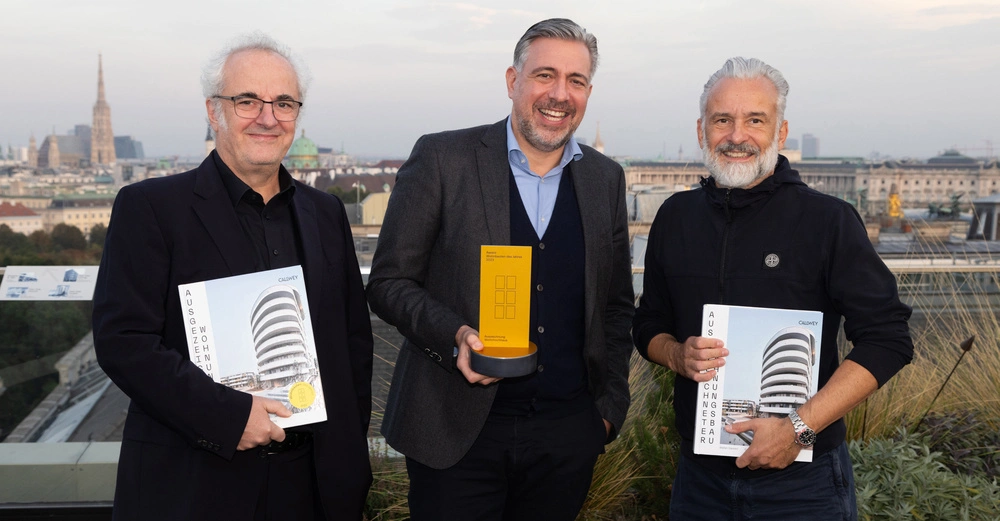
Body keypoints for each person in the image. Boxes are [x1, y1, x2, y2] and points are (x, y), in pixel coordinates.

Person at [92, 33, 373, 521]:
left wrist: (349, 459)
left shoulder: (325, 212)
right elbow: (124, 342)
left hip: (313, 485)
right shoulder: (151, 207)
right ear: (213, 111)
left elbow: (353, 344)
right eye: (247, 101)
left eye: (283, 103)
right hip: (195, 484)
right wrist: (228, 417)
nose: (268, 117)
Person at [366, 18, 634, 521]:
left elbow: (616, 306)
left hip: (566, 437)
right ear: (513, 81)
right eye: (545, 75)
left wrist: (606, 413)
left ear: (588, 93)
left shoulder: (605, 179)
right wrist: (454, 336)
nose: (560, 94)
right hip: (455, 434)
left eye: (576, 81)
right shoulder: (444, 158)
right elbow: (388, 282)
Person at [632, 56, 914, 520]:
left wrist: (798, 428)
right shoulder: (675, 218)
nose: (737, 135)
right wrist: (676, 355)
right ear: (701, 130)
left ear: (780, 133)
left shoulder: (828, 221)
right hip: (699, 482)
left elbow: (888, 339)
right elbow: (648, 324)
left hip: (803, 486)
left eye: (755, 120)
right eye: (722, 120)